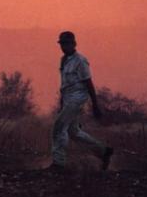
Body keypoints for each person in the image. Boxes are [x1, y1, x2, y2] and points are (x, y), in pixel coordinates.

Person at [48, 31, 113, 171]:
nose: (63, 46)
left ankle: (58, 163)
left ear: (74, 44)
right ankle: (103, 152)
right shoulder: (63, 60)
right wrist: (62, 103)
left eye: (66, 43)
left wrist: (95, 105)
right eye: (62, 44)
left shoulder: (80, 61)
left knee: (59, 127)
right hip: (67, 97)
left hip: (77, 97)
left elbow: (89, 83)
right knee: (73, 131)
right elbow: (64, 84)